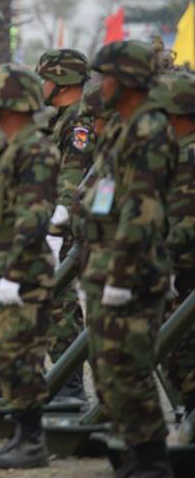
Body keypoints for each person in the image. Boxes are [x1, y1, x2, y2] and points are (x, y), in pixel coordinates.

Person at [82, 40, 177, 477]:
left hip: (133, 271)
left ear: (128, 80)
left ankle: (150, 459)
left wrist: (121, 274)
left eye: (107, 77)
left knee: (131, 369)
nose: (101, 85)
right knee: (107, 370)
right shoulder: (123, 126)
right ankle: (132, 453)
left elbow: (142, 208)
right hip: (107, 265)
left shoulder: (149, 129)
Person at [0, 64, 60, 469]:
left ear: (8, 102)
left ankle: (32, 440)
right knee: (5, 356)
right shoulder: (11, 146)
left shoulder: (35, 150)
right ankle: (21, 436)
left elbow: (33, 215)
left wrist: (14, 270)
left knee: (20, 356)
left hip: (19, 271)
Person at [36, 49, 94, 399]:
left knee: (60, 305)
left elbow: (74, 171)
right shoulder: (63, 118)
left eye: (45, 78)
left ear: (60, 82)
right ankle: (63, 380)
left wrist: (58, 217)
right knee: (54, 302)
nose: (41, 85)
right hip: (59, 222)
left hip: (69, 224)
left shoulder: (79, 121)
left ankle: (70, 387)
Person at [152, 71, 195, 442]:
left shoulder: (186, 157)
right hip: (180, 273)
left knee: (183, 354)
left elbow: (182, 225)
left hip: (184, 275)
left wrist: (162, 265)